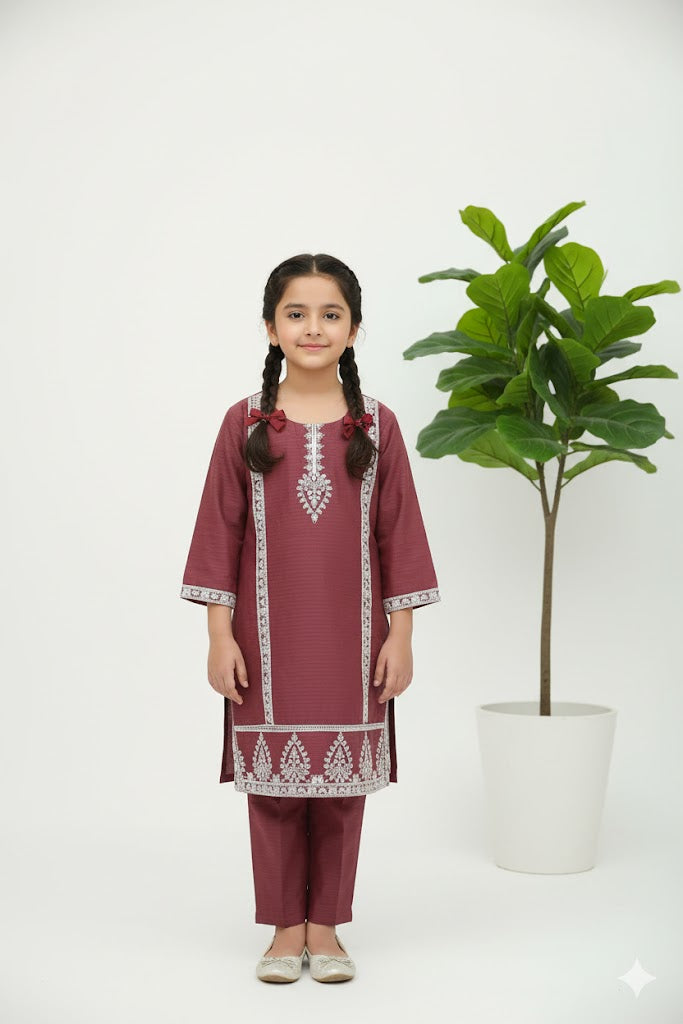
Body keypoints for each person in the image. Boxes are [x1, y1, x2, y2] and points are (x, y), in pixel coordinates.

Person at [180, 253, 441, 983]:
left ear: (354, 329)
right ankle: (281, 929)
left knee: (342, 792)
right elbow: (220, 531)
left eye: (331, 314)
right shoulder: (244, 423)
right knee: (271, 791)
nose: (313, 328)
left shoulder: (377, 426)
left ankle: (324, 927)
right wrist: (219, 635)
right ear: (271, 327)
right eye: (296, 313)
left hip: (353, 643)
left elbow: (399, 533)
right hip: (265, 643)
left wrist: (401, 635)